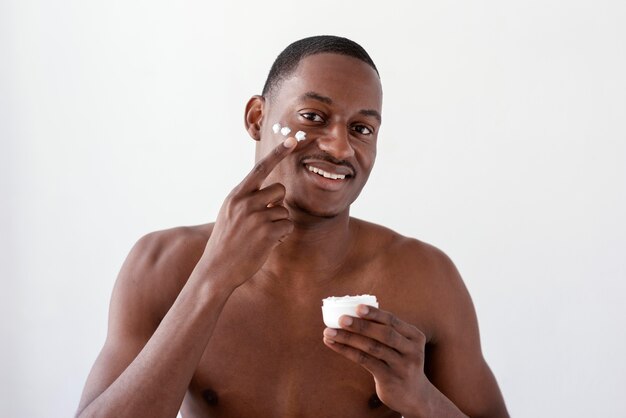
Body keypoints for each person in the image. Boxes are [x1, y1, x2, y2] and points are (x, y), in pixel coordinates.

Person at [76, 35, 509, 418]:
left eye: (361, 128)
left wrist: (422, 400)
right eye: (313, 117)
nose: (340, 146)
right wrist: (211, 280)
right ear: (256, 118)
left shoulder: (427, 278)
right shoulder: (161, 264)